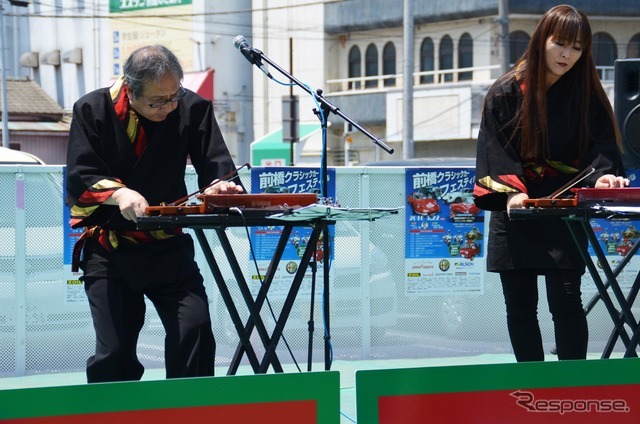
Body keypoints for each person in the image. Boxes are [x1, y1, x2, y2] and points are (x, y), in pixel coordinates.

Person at [66, 45, 243, 382]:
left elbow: (216, 166)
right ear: (130, 90)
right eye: (158, 101)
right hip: (110, 248)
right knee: (115, 352)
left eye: (173, 96)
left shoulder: (192, 107)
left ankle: (189, 412)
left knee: (196, 328)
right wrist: (119, 193)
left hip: (167, 246)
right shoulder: (92, 108)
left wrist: (220, 187)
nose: (169, 106)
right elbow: (80, 174)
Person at [473, 5, 629, 362]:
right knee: (521, 308)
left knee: (567, 302)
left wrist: (604, 174)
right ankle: (532, 389)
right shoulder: (505, 92)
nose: (566, 54)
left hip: (564, 212)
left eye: (576, 48)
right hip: (516, 212)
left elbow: (601, 149)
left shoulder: (587, 96)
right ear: (542, 40)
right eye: (560, 43)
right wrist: (513, 192)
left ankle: (571, 388)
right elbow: (495, 150)